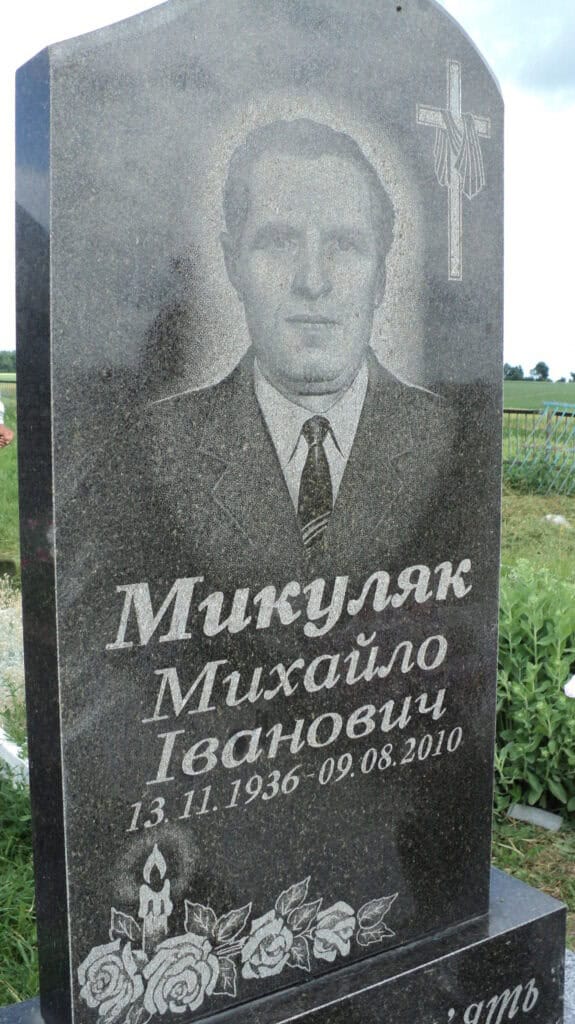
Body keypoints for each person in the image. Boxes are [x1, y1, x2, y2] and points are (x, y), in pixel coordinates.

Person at [138, 118, 453, 585]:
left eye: (344, 244)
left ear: (381, 279)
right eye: (280, 241)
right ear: (233, 264)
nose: (312, 281)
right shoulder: (154, 444)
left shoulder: (447, 436)